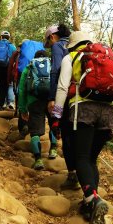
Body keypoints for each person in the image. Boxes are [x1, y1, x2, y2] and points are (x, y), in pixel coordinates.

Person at [51, 30, 113, 224]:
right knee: (91, 159)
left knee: (81, 158)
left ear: (72, 44)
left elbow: (62, 87)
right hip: (107, 113)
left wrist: (57, 116)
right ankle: (90, 205)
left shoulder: (71, 57)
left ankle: (92, 199)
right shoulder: (104, 56)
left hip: (83, 111)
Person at [45, 24, 78, 190]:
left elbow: (56, 71)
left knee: (66, 134)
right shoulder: (77, 47)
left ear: (52, 37)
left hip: (65, 96)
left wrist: (52, 98)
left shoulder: (58, 46)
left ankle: (73, 175)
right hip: (81, 99)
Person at [18, 50, 58, 170]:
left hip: (33, 101)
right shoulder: (52, 65)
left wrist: (23, 108)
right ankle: (53, 150)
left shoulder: (29, 67)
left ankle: (38, 159)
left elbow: (22, 89)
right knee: (53, 124)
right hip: (51, 100)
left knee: (35, 132)